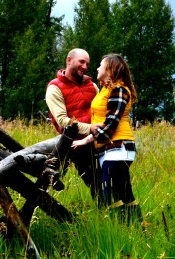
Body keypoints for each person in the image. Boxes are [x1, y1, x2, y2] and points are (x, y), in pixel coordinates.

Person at [71, 53, 142, 222]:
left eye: (100, 65)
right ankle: (139, 229)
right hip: (108, 150)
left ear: (110, 69)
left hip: (119, 148)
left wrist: (85, 140)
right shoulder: (106, 89)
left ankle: (119, 229)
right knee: (124, 194)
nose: (96, 68)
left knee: (107, 191)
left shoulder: (119, 90)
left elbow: (111, 124)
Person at [45, 48, 99, 197]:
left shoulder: (92, 86)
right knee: (96, 184)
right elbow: (63, 121)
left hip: (100, 141)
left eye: (87, 63)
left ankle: (119, 214)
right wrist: (91, 128)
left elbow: (102, 111)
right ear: (69, 60)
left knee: (113, 182)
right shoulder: (55, 88)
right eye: (81, 62)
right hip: (78, 146)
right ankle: (108, 214)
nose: (85, 67)